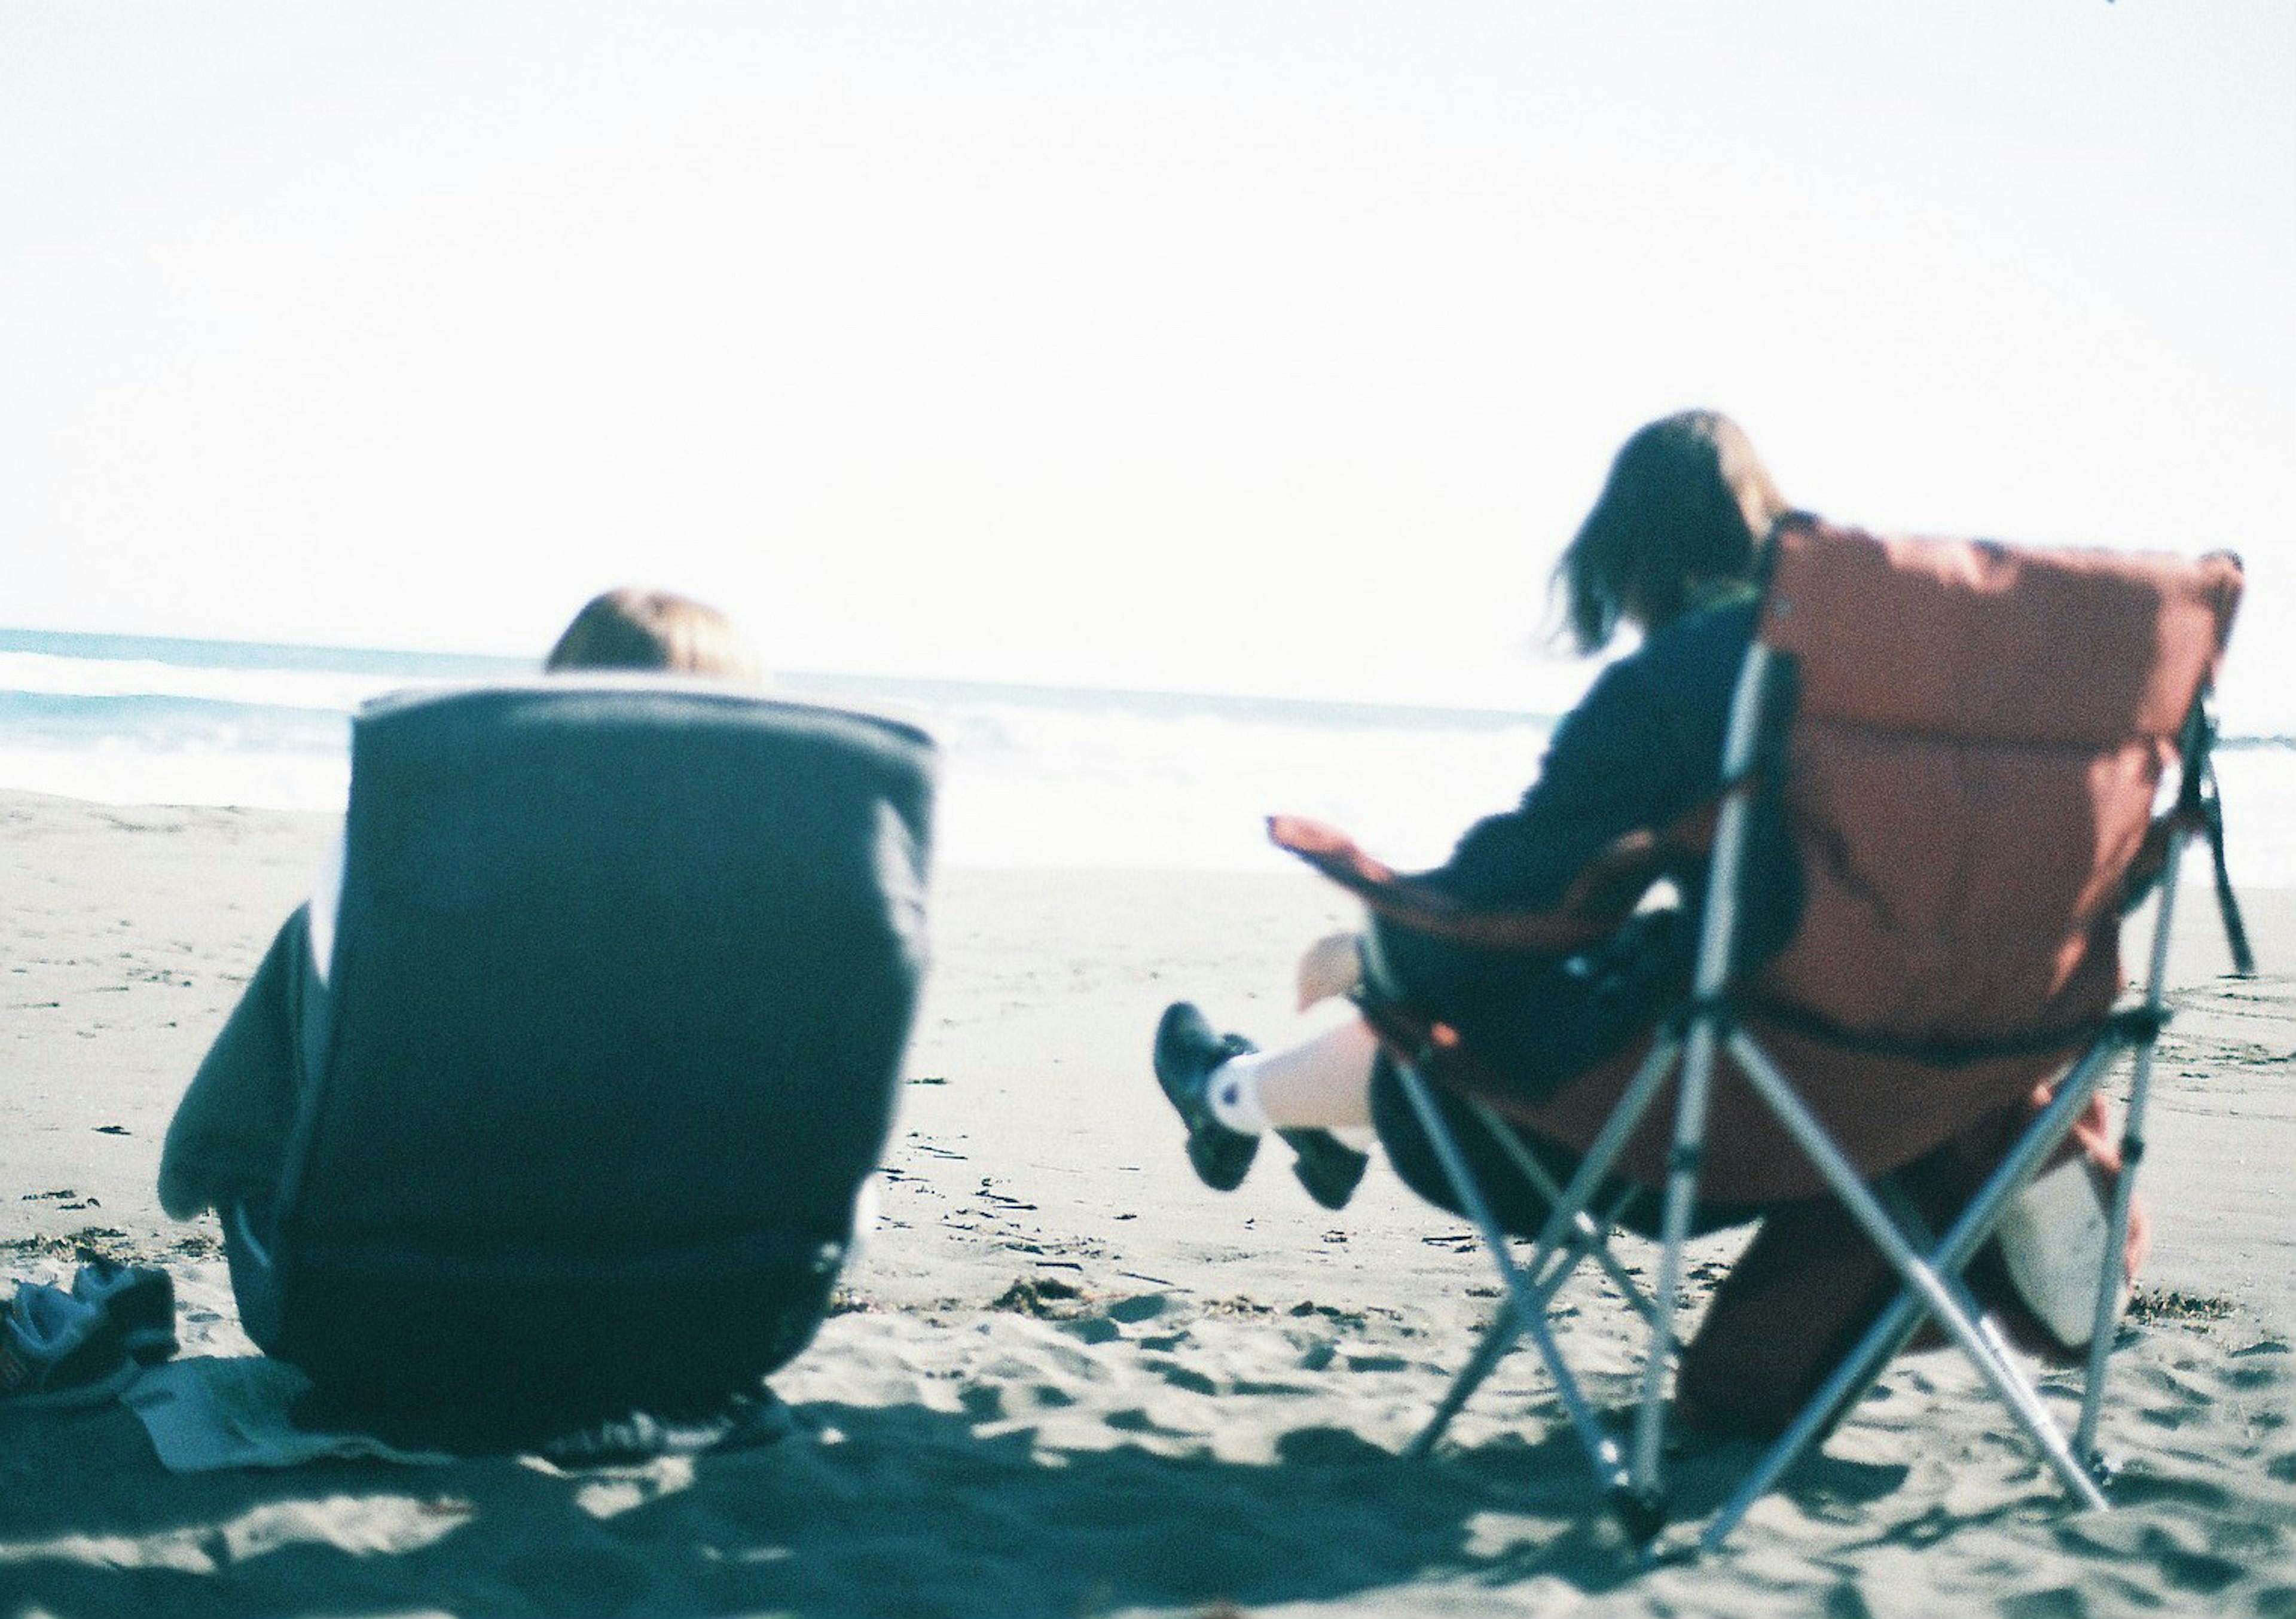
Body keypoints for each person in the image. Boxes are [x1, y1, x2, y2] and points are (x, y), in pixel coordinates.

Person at [1152, 408, 1789, 1226]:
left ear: (1634, 557)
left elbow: (1518, 894)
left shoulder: (1684, 681)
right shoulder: (1869, 688)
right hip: (1897, 1131)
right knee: (1600, 976)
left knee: (1461, 1023)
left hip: (1700, 1136)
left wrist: (1374, 949)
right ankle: (1294, 1118)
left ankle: (1231, 1094)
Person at [158, 587, 764, 1224]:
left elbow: (191, 1170)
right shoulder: (799, 946)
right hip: (707, 1308)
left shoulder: (381, 917)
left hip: (413, 1300)